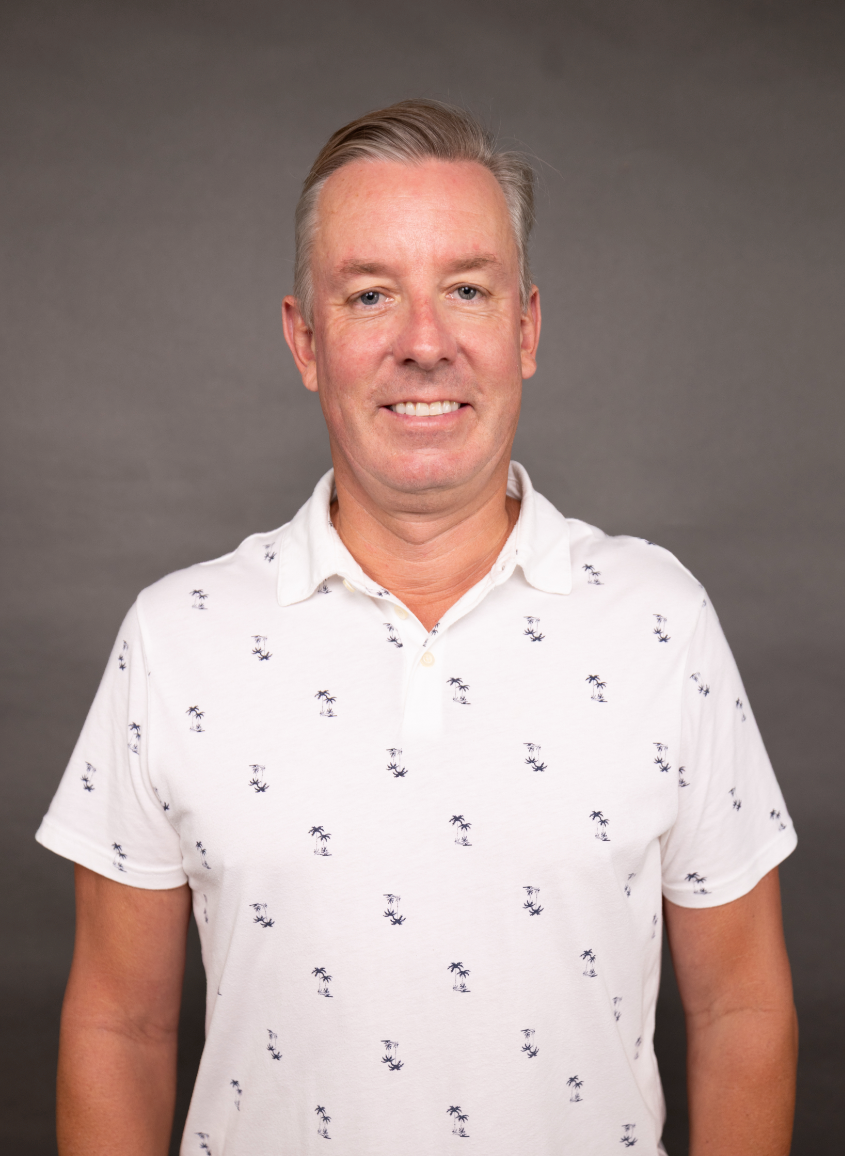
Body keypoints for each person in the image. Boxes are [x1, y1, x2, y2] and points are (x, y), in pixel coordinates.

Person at [37, 99, 798, 1156]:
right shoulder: (177, 638)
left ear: (524, 329)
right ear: (306, 340)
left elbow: (739, 1009)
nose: (424, 344)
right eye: (368, 295)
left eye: (466, 291)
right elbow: (119, 1025)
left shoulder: (659, 623)